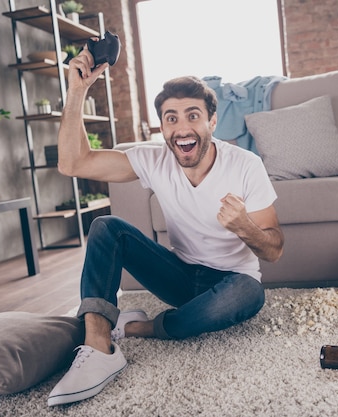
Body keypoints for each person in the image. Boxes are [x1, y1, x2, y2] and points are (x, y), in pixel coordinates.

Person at [47, 45, 284, 407]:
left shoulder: (245, 165)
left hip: (234, 281)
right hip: (182, 277)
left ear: (212, 122)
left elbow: (274, 249)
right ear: (162, 127)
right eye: (171, 118)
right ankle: (99, 347)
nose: (182, 127)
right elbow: (72, 163)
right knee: (106, 226)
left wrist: (245, 227)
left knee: (249, 294)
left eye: (193, 115)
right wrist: (77, 90)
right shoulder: (154, 159)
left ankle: (141, 326)